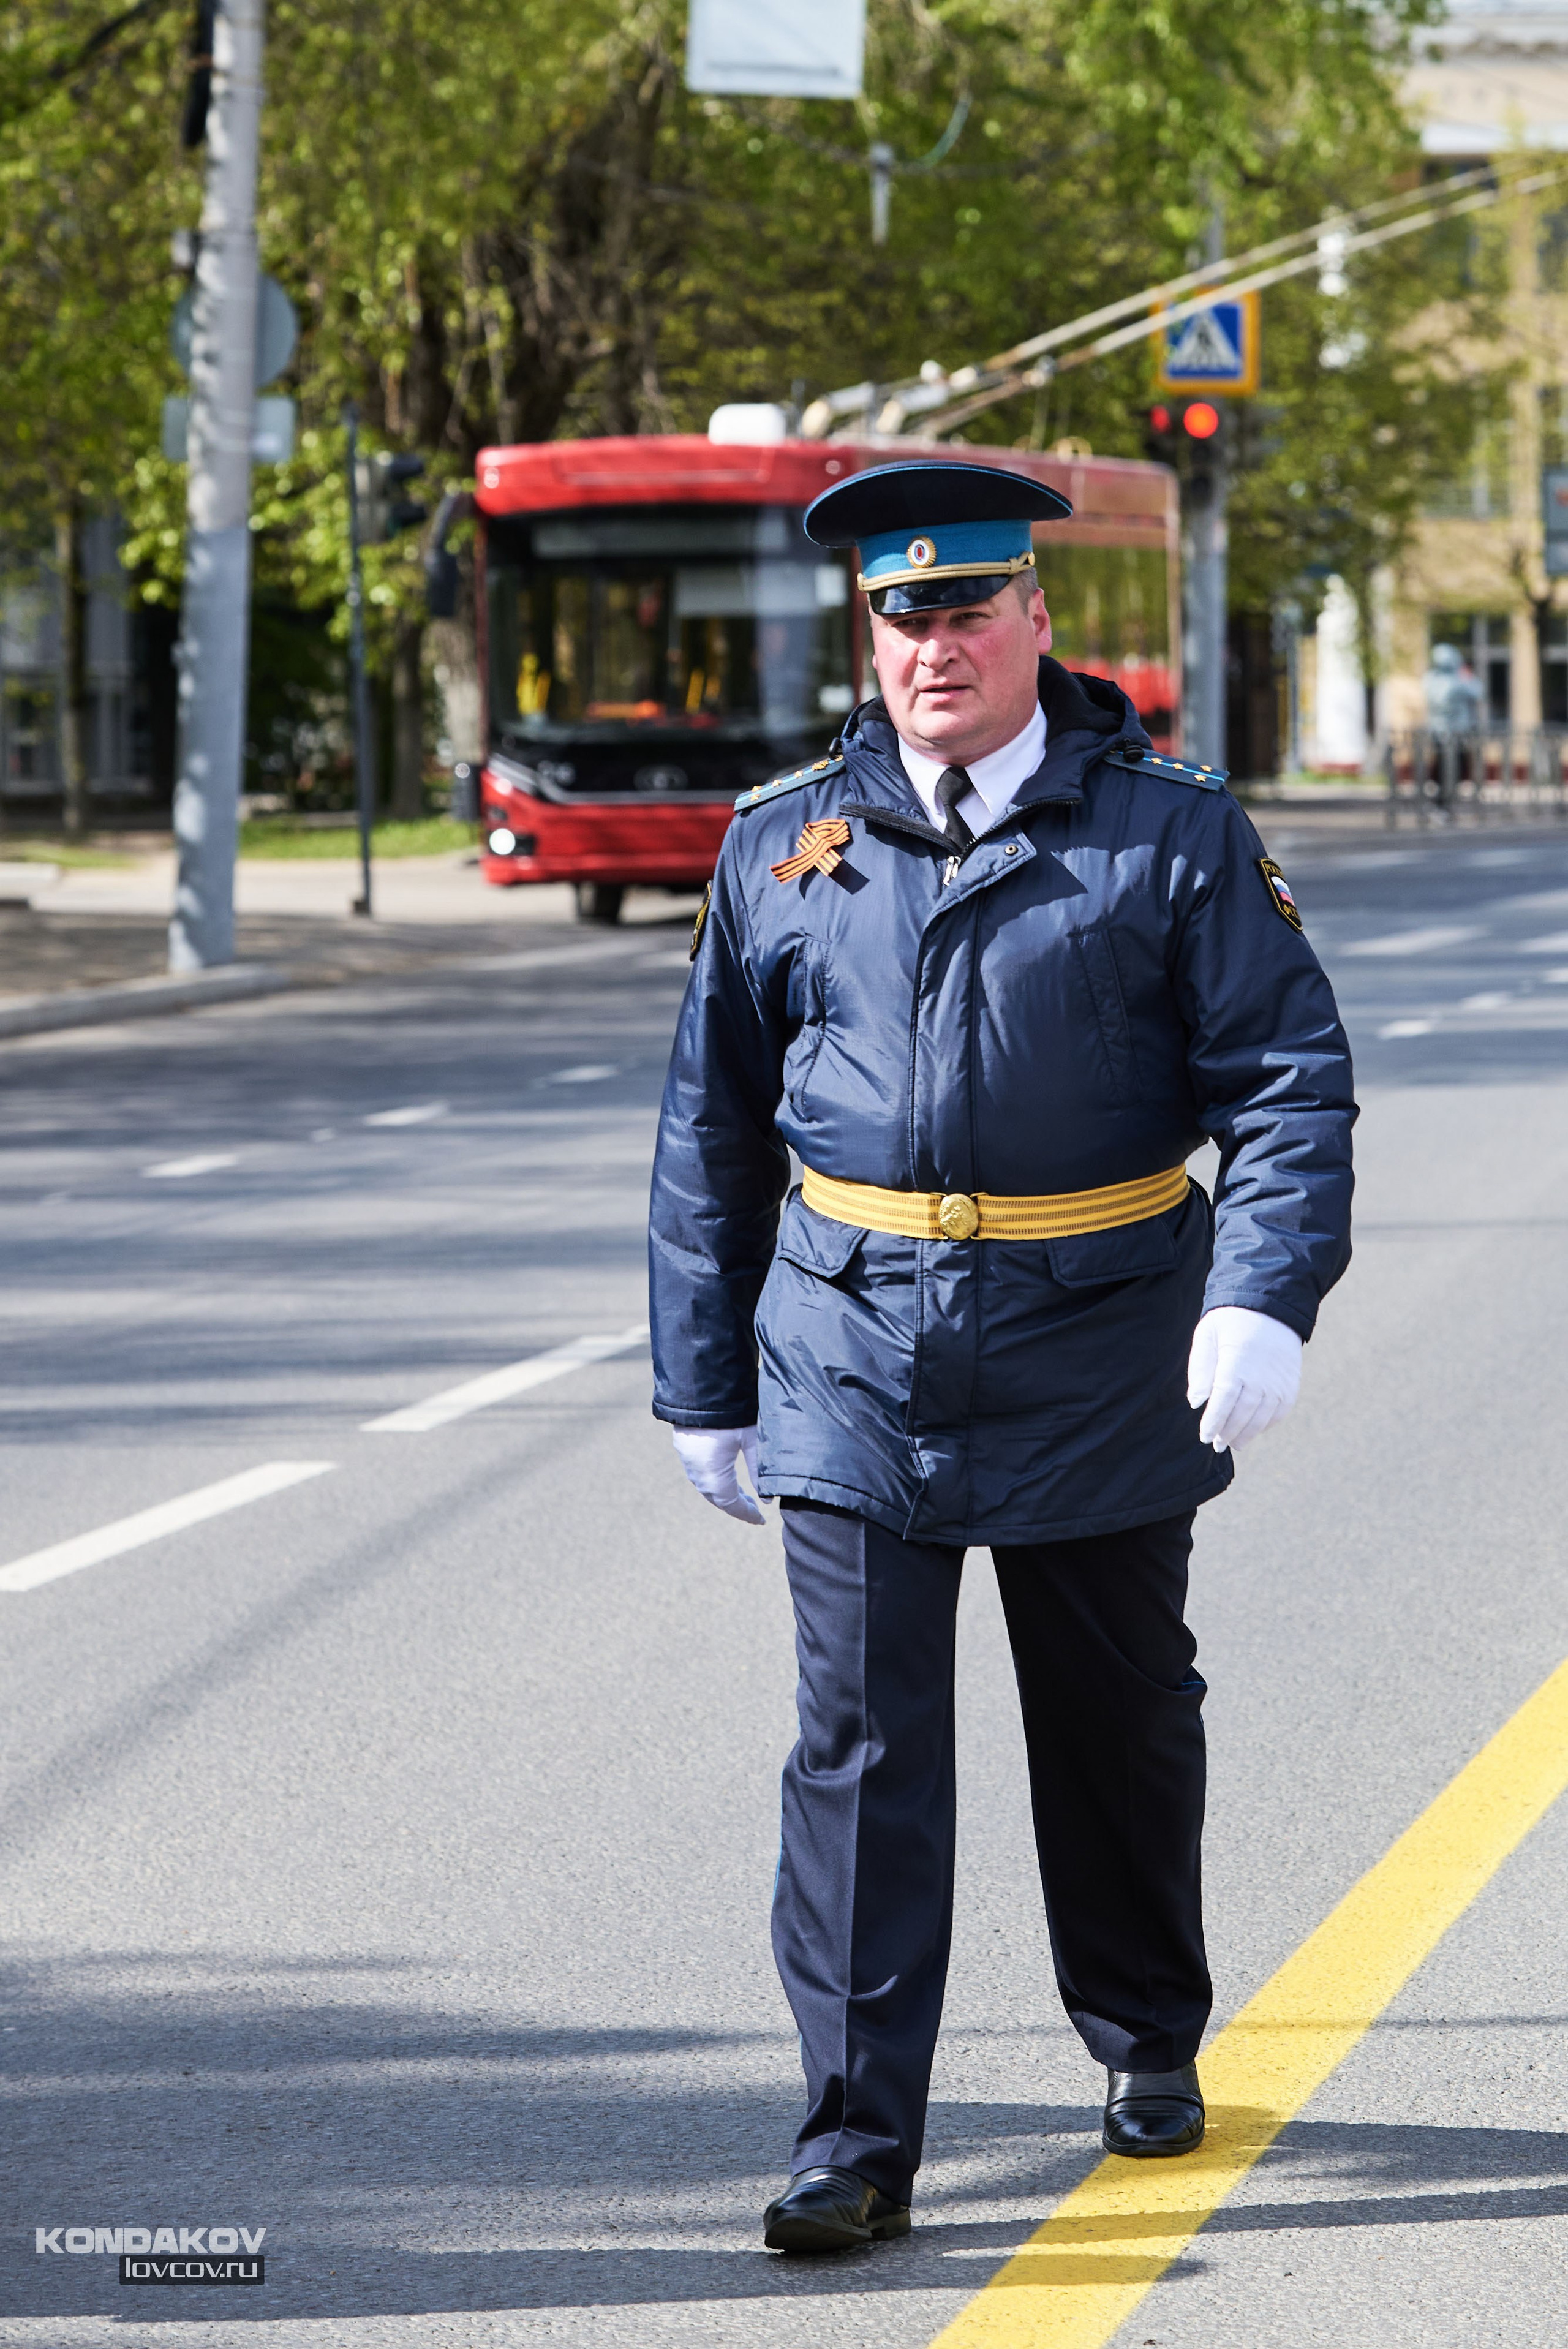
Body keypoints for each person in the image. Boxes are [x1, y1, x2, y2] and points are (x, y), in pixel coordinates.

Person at [648, 459, 1355, 2255]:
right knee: (860, 1748)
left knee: (1116, 1718)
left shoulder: (1169, 832)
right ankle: (853, 2134)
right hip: (851, 1344)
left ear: (1039, 619)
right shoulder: (783, 840)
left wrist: (1262, 1295)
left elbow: (1287, 1084)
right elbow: (711, 1129)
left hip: (1101, 1339)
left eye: (968, 611)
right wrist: (702, 1380)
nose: (934, 648)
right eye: (904, 618)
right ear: (869, 635)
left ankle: (1145, 2036)